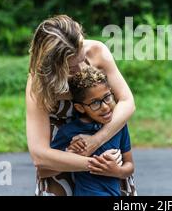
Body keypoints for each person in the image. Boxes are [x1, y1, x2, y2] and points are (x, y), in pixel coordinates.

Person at [26, 15, 136, 195]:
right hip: (61, 157)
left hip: (106, 143)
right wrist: (94, 163)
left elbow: (127, 102)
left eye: (82, 58)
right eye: (72, 67)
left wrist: (96, 141)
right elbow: (39, 155)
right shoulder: (39, 80)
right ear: (53, 66)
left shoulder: (97, 52)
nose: (82, 68)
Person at [51, 66, 134, 196]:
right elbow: (44, 171)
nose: (105, 107)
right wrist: (69, 154)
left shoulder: (119, 126)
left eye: (107, 97)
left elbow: (129, 165)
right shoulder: (69, 132)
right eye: (95, 103)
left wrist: (117, 171)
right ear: (80, 107)